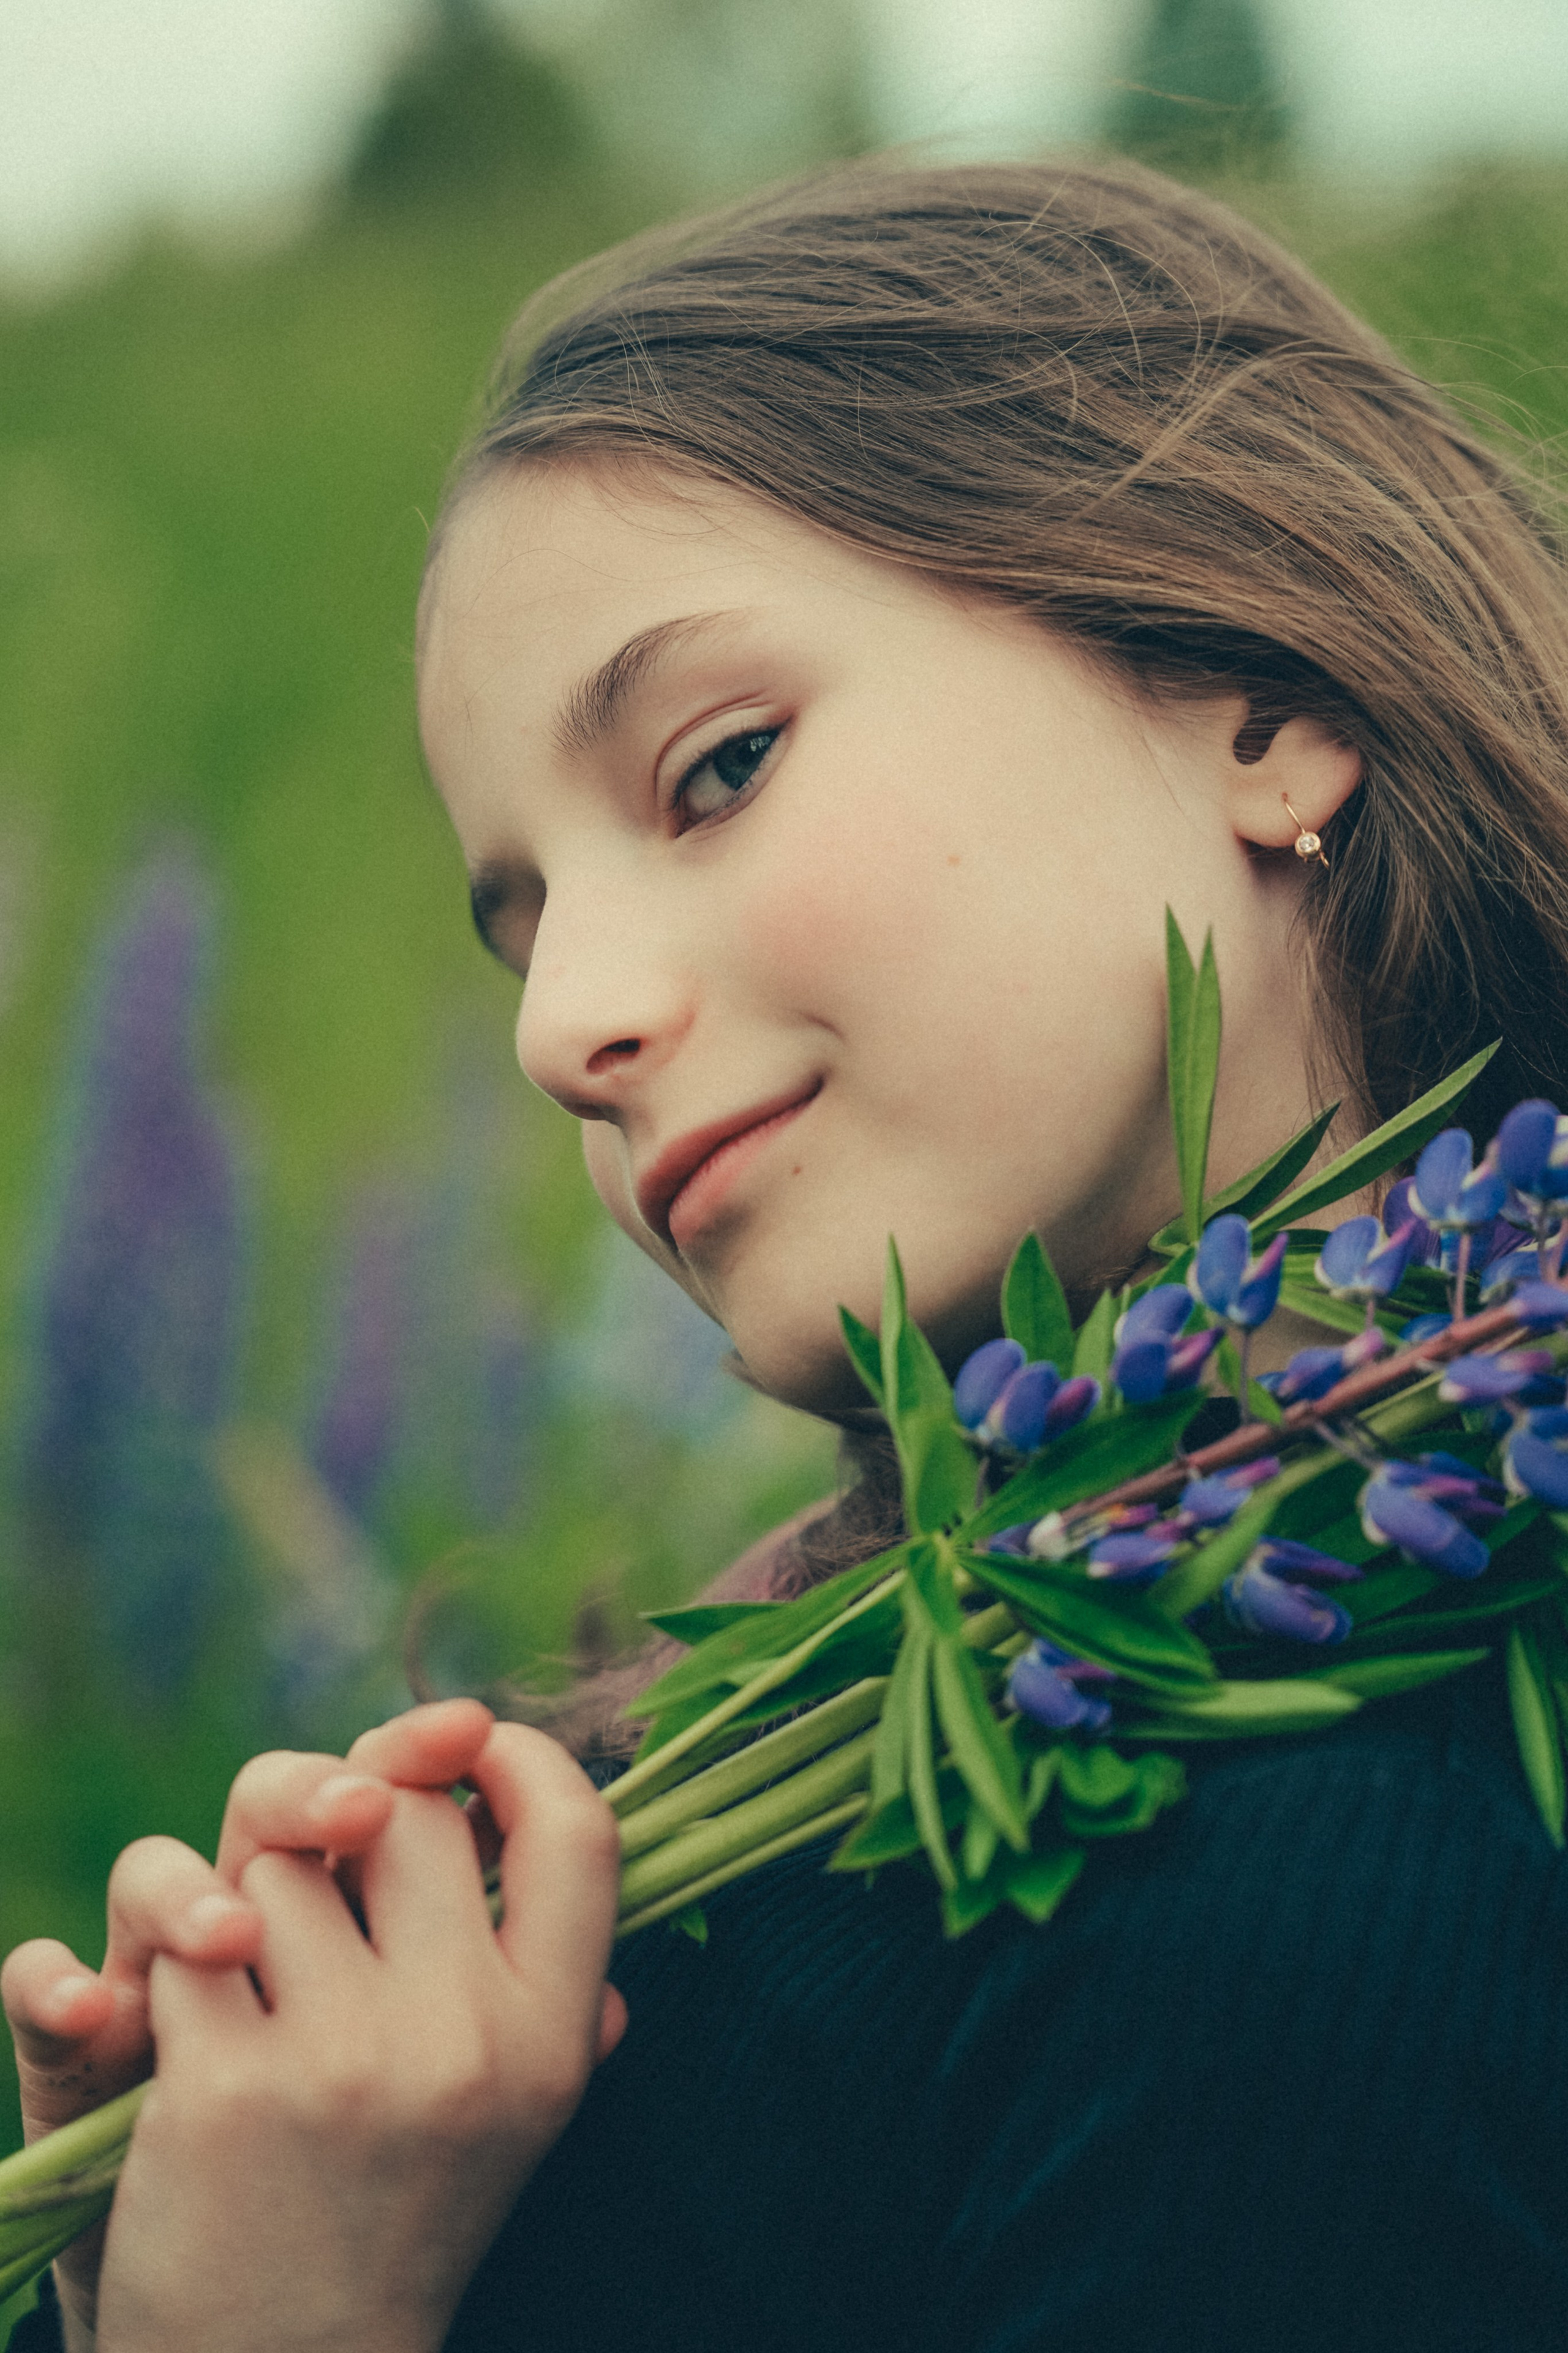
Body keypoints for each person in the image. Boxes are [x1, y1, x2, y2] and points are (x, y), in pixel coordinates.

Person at [7, 153, 1568, 2352]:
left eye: (716, 765)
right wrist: (142, 2270)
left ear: (1250, 687)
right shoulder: (902, 1712)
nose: (562, 1029)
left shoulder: (1334, 1873)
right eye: (522, 917)